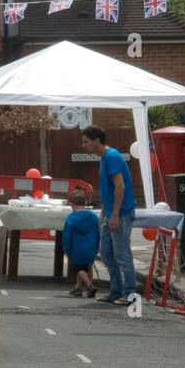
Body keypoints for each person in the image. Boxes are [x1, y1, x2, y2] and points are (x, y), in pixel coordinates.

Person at [80, 125, 137, 305]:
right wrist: (106, 213)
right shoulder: (105, 158)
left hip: (120, 213)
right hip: (110, 211)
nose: (84, 145)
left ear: (97, 141)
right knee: (105, 252)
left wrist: (115, 215)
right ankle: (115, 291)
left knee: (122, 254)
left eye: (86, 141)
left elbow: (120, 186)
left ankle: (130, 294)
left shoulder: (111, 157)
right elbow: (109, 190)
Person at [62, 188, 100, 297]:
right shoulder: (93, 216)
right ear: (85, 202)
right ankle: (77, 288)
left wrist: (66, 248)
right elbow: (98, 232)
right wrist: (97, 246)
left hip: (77, 249)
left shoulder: (70, 218)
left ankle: (89, 285)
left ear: (71, 203)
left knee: (77, 268)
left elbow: (67, 236)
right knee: (83, 267)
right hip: (91, 248)